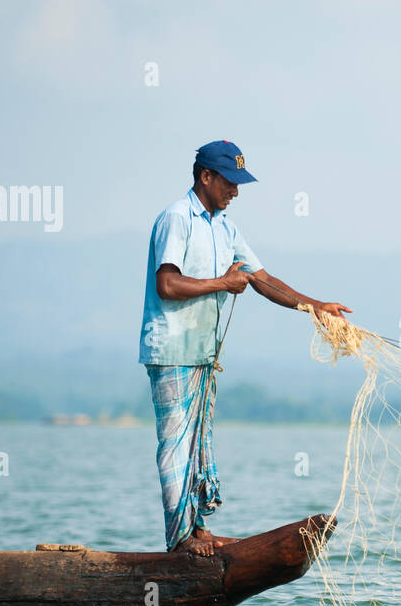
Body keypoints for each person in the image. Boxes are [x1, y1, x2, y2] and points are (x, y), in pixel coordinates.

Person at [139, 140, 352, 555]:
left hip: (202, 352)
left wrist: (316, 307)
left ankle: (196, 530)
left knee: (197, 445)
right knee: (176, 444)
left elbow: (263, 279)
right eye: (229, 182)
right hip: (171, 350)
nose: (235, 191)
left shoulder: (225, 227)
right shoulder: (177, 219)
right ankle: (180, 541)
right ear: (206, 177)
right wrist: (223, 283)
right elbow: (167, 284)